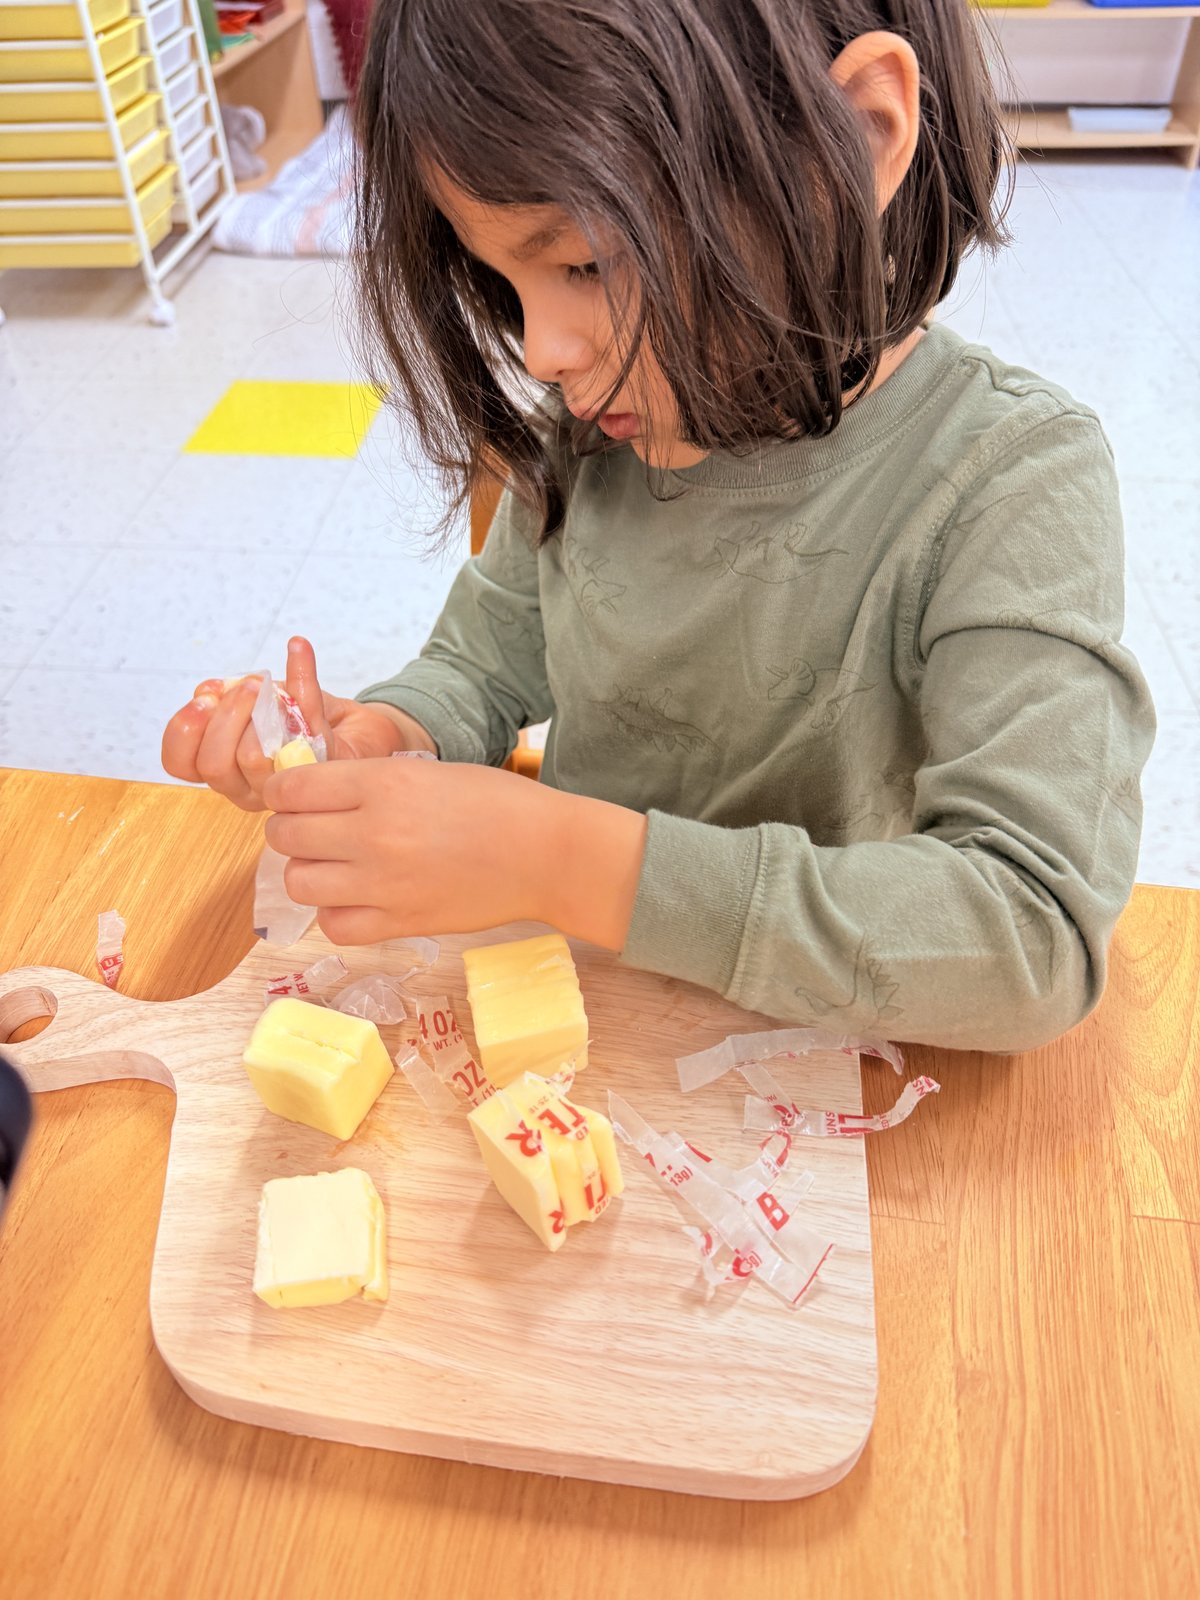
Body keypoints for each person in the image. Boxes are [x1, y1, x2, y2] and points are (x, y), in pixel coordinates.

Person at [163, 0, 1154, 1052]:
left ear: (852, 142)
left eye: (583, 263)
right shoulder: (598, 428)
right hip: (593, 1033)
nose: (542, 348)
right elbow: (490, 658)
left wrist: (567, 861)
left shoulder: (1009, 477)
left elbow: (1032, 938)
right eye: (507, 279)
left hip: (842, 1061)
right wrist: (392, 734)